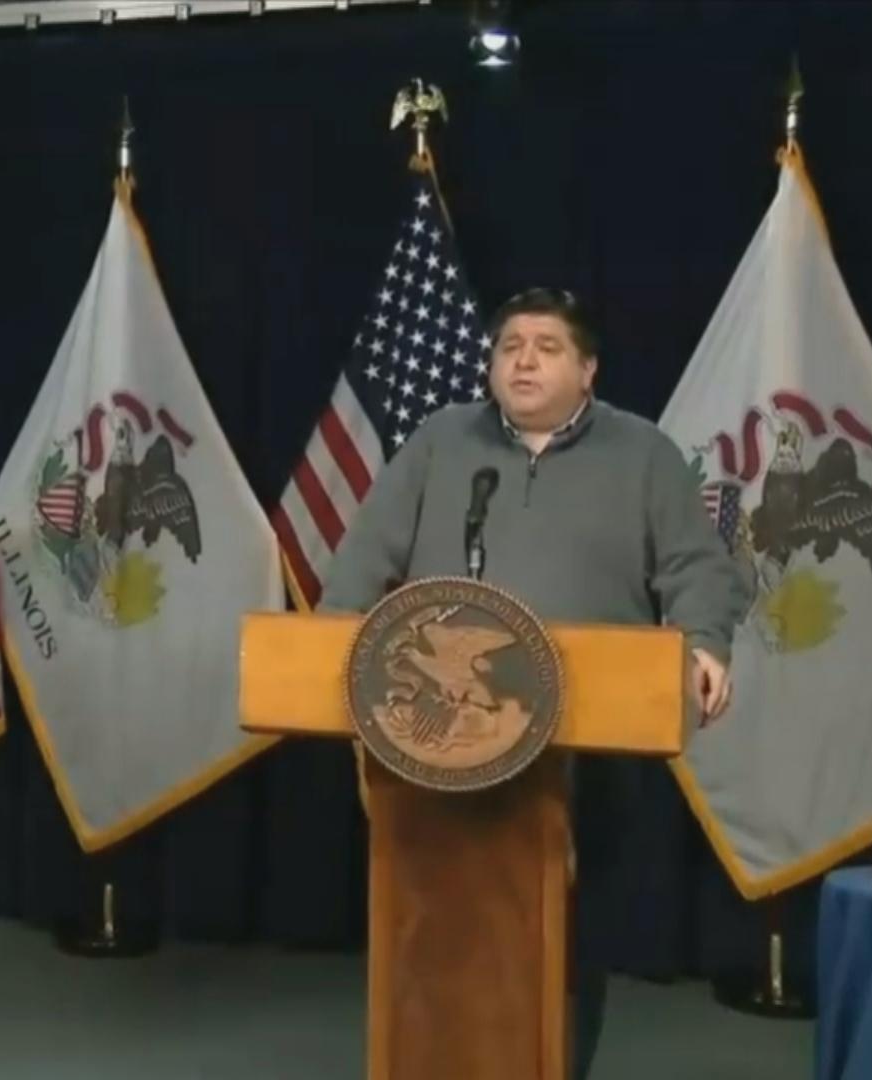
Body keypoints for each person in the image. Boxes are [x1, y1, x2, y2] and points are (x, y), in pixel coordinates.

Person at [319, 287, 750, 1080]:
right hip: (436, 740)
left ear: (588, 370)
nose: (522, 359)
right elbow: (364, 555)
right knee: (432, 924)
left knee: (563, 936)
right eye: (510, 344)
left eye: (546, 347)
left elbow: (697, 568)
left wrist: (705, 646)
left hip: (586, 739)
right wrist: (331, 636)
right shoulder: (441, 441)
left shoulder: (645, 453)